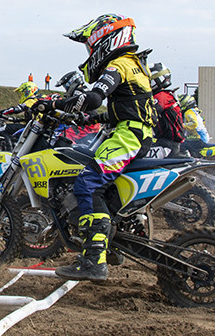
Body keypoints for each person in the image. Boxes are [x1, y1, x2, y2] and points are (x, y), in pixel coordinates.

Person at [36, 14, 157, 282]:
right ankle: (110, 243)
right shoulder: (134, 64)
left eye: (90, 45)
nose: (90, 52)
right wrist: (94, 118)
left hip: (128, 137)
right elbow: (128, 107)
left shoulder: (119, 64)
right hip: (133, 132)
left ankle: (93, 259)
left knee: (88, 184)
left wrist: (53, 104)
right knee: (101, 186)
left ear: (105, 40)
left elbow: (93, 98)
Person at [149, 63, 184, 157]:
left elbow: (149, 113)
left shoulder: (161, 96)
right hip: (166, 142)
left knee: (137, 157)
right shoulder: (165, 95)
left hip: (167, 145)